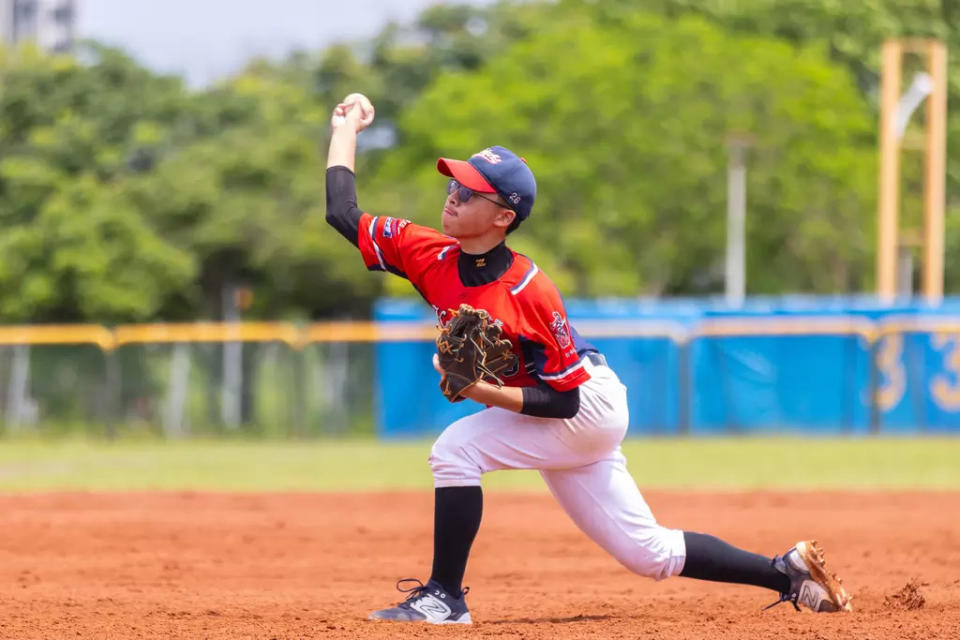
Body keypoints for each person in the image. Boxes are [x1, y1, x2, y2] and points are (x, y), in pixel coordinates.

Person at [324, 94, 851, 625]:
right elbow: (341, 213)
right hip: (554, 413)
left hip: (584, 406)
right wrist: (346, 129)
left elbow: (564, 400)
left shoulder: (530, 290)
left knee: (455, 450)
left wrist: (485, 394)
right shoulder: (425, 252)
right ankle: (787, 571)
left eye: (470, 192)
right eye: (453, 185)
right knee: (649, 553)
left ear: (504, 216)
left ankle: (444, 597)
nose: (453, 196)